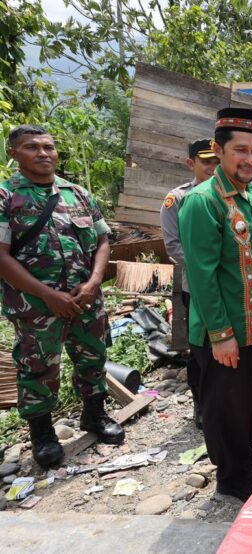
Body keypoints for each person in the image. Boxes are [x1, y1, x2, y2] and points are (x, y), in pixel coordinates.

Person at [178, 108, 252, 502]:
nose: (250, 159)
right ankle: (231, 475)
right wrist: (221, 335)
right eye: (240, 150)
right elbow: (202, 276)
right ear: (218, 151)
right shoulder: (202, 202)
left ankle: (246, 452)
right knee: (225, 403)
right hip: (223, 329)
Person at [0, 124, 123, 469]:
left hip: (86, 300)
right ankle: (43, 436)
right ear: (14, 154)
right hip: (36, 307)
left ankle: (94, 417)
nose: (43, 153)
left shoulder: (79, 194)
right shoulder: (6, 197)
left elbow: (102, 240)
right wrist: (48, 296)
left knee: (93, 358)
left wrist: (95, 282)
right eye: (32, 147)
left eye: (49, 147)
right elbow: (1, 256)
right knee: (38, 369)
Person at [159, 138, 219, 429]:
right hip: (196, 287)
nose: (212, 166)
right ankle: (202, 404)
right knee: (202, 348)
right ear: (191, 163)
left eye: (216, 160)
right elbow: (173, 246)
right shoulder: (180, 198)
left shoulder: (231, 195)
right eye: (206, 161)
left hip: (231, 289)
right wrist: (209, 270)